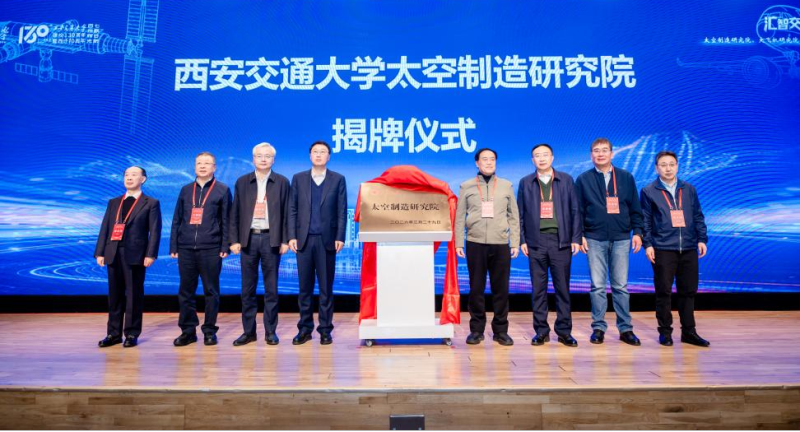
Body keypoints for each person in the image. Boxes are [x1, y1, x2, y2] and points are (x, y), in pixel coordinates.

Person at [575, 138, 643, 346]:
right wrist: (580, 235)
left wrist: (638, 232)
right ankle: (598, 327)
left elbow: (635, 208)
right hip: (594, 238)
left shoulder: (625, 177)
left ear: (612, 154)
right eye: (596, 151)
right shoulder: (583, 179)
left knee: (620, 286)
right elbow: (578, 210)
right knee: (597, 286)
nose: (600, 154)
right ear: (591, 155)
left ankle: (625, 329)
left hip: (621, 237)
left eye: (604, 150)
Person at [640, 151, 710, 347]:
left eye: (671, 164)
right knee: (663, 291)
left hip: (688, 247)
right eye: (663, 165)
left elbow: (698, 216)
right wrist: (648, 244)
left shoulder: (689, 189)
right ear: (657, 168)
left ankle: (689, 332)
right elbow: (645, 220)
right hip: (663, 247)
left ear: (677, 166)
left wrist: (702, 239)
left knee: (688, 291)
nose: (668, 168)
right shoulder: (649, 191)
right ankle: (665, 332)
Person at [517, 144, 582, 347]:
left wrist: (576, 238)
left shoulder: (566, 180)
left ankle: (564, 331)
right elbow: (520, 214)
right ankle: (541, 331)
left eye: (545, 155)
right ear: (532, 160)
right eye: (537, 155)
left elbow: (575, 210)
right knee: (538, 289)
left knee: (562, 288)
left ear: (552, 158)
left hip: (560, 241)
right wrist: (522, 240)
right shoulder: (526, 182)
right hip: (535, 242)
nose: (542, 158)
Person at [455, 148, 520, 346]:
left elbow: (514, 216)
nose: (489, 162)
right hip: (475, 243)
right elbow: (459, 217)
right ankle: (476, 330)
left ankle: (501, 331)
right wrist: (459, 242)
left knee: (501, 290)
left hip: (500, 244)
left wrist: (514, 242)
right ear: (477, 163)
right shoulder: (466, 186)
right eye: (485, 159)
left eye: (492, 159)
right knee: (476, 289)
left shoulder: (506, 186)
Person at [230, 142, 290, 346]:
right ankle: (249, 332)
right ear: (253, 159)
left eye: (267, 156)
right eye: (259, 156)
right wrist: (234, 240)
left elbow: (287, 213)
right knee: (247, 289)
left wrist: (284, 239)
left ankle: (270, 331)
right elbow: (235, 212)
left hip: (271, 239)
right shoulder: (242, 182)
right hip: (248, 239)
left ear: (273, 160)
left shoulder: (282, 182)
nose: (263, 159)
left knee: (271, 289)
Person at [287, 141, 347, 345]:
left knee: (325, 289)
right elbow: (292, 209)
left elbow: (341, 211)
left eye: (323, 152)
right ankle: (304, 329)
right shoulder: (298, 178)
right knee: (304, 289)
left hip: (327, 241)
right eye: (315, 152)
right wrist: (291, 236)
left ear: (329, 156)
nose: (319, 155)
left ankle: (325, 329)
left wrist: (340, 236)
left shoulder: (338, 179)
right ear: (310, 155)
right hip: (303, 241)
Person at [95, 166, 162, 348]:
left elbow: (155, 231)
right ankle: (113, 334)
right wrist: (100, 251)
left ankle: (131, 333)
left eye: (134, 175)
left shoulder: (151, 202)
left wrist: (151, 254)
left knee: (133, 295)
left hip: (136, 254)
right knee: (114, 295)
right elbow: (105, 227)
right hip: (113, 252)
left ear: (143, 179)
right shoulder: (114, 202)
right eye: (126, 175)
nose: (129, 178)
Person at [169, 152, 232, 347]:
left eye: (207, 163)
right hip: (186, 247)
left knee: (211, 291)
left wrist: (225, 245)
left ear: (214, 167)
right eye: (199, 163)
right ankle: (188, 331)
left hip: (211, 247)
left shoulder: (222, 189)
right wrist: (174, 245)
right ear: (195, 166)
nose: (202, 166)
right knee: (185, 291)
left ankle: (209, 331)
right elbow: (177, 219)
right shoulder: (186, 190)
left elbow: (227, 220)